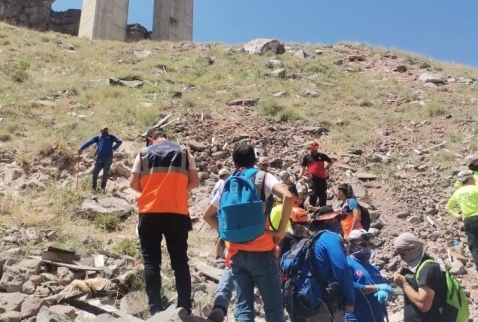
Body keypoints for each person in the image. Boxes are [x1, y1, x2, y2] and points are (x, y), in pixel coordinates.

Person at [203, 144, 294, 322]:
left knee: (243, 307)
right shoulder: (263, 177)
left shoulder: (227, 183)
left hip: (236, 254)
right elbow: (288, 197)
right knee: (274, 308)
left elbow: (207, 215)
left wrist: (224, 233)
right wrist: (280, 230)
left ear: (234, 163)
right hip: (262, 251)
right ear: (255, 161)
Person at [129, 128, 200, 316]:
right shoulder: (184, 152)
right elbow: (195, 182)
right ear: (166, 137)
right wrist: (176, 189)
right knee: (180, 262)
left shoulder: (143, 153)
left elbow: (133, 184)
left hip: (149, 212)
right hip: (177, 212)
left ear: (150, 139)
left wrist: (151, 190)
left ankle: (155, 309)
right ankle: (184, 307)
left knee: (151, 263)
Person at [303, 206, 355, 322]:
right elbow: (342, 268)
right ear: (328, 221)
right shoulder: (331, 237)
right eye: (336, 220)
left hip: (311, 300)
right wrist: (350, 299)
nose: (338, 224)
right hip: (327, 303)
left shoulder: (312, 240)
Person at [392, 233, 447, 322]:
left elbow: (424, 305)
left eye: (403, 253)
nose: (401, 257)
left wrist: (404, 284)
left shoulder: (428, 268)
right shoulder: (411, 268)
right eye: (399, 253)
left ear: (413, 248)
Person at [345, 229, 393, 322]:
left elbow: (384, 287)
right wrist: (376, 288)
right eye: (363, 245)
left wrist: (386, 294)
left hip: (378, 317)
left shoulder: (374, 269)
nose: (367, 248)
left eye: (369, 244)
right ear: (351, 245)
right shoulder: (347, 264)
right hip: (357, 318)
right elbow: (349, 287)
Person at [78, 126, 122, 191]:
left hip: (108, 158)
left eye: (106, 130)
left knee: (105, 173)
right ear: (101, 131)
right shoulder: (98, 137)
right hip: (100, 158)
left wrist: (113, 148)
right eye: (104, 130)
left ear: (107, 131)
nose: (105, 131)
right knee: (95, 172)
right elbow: (89, 142)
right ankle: (93, 188)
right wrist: (81, 148)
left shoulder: (110, 137)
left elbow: (119, 142)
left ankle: (102, 188)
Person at [299, 140, 333, 208]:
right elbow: (303, 167)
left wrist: (327, 168)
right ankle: (312, 213)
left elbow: (331, 161)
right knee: (313, 195)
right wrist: (300, 176)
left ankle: (323, 213)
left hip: (322, 179)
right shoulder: (307, 157)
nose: (313, 148)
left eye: (314, 147)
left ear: (317, 147)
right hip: (312, 179)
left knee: (323, 196)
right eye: (311, 147)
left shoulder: (322, 155)